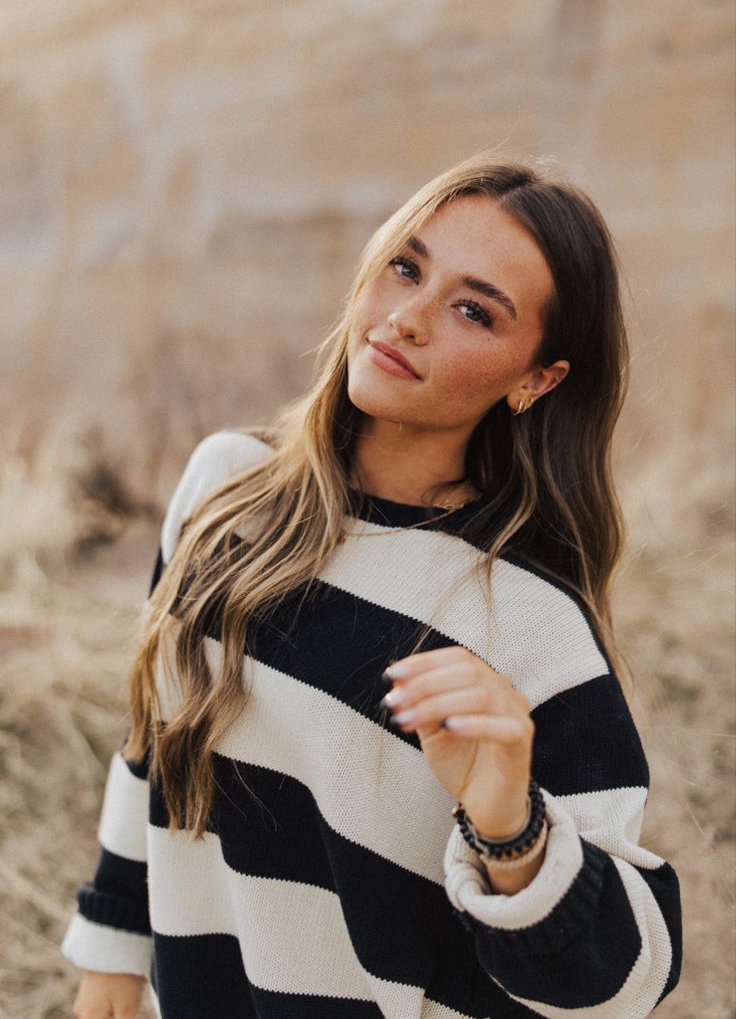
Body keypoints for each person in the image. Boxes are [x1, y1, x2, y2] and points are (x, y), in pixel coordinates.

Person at [63, 154, 682, 1019]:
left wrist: (512, 829)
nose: (408, 318)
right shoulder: (222, 490)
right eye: (406, 266)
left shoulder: (531, 627)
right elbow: (155, 741)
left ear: (536, 379)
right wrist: (111, 959)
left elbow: (627, 985)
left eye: (473, 309)